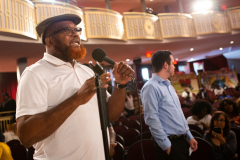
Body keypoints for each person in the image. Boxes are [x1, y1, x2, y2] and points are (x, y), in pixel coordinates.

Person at [16, 13, 134, 160]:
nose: (75, 35)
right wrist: (76, 99)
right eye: (67, 30)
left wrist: (120, 85)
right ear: (49, 40)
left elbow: (111, 114)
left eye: (76, 30)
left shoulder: (86, 71)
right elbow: (26, 136)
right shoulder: (35, 73)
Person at [141, 50, 198, 160]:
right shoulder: (151, 87)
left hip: (181, 141)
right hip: (170, 144)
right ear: (165, 65)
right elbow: (152, 119)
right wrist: (167, 145)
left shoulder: (169, 85)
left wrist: (188, 135)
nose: (174, 66)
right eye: (173, 63)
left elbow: (179, 114)